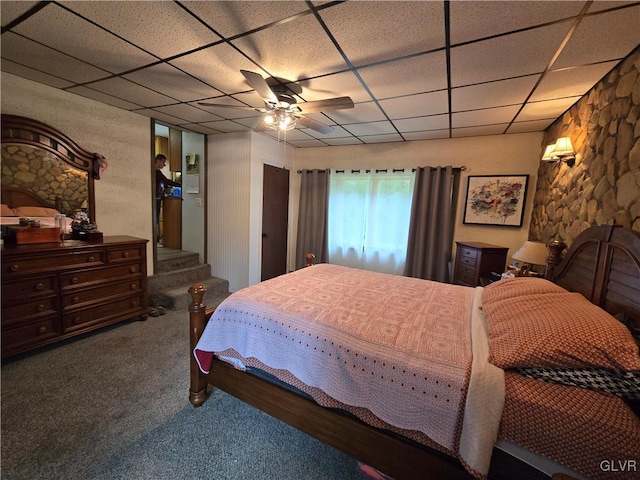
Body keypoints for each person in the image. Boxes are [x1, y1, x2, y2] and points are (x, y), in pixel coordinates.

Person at [155, 154, 180, 246]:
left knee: (156, 219)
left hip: (158, 198)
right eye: (163, 162)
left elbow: (164, 182)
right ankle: (155, 240)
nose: (164, 165)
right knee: (155, 219)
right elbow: (166, 181)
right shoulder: (156, 172)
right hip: (155, 199)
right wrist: (180, 184)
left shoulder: (157, 172)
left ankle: (156, 240)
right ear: (158, 160)